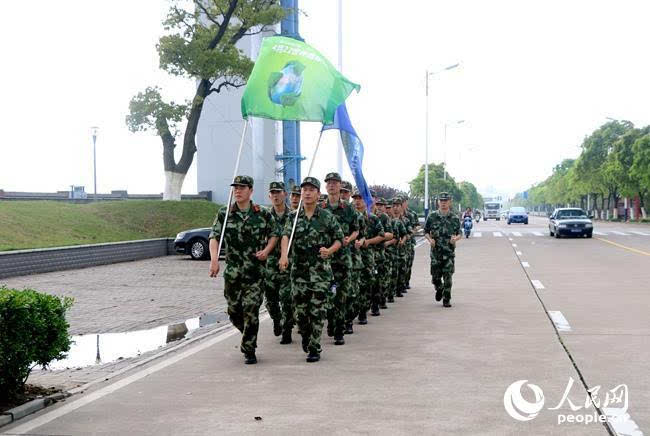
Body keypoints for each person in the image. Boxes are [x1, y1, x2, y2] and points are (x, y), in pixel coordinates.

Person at [209, 175, 278, 364]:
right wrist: (214, 259)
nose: (237, 191)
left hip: (255, 272)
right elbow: (214, 237)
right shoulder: (225, 213)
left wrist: (266, 251)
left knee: (251, 309)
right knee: (234, 311)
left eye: (242, 187)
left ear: (251, 191)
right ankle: (248, 334)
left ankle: (249, 348)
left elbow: (274, 235)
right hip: (233, 273)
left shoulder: (262, 214)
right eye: (235, 188)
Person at [279, 177, 343, 362]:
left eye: (311, 190)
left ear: (318, 194)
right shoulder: (293, 216)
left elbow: (339, 239)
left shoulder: (326, 217)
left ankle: (315, 347)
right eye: (304, 190)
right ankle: (307, 337)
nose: (306, 193)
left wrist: (329, 250)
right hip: (298, 273)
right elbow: (285, 236)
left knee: (317, 311)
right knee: (301, 314)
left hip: (320, 273)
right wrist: (284, 256)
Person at [321, 172, 359, 344]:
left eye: (335, 183)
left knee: (341, 296)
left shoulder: (348, 208)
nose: (332, 185)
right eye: (329, 183)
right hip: (325, 260)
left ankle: (339, 331)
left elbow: (356, 230)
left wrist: (349, 239)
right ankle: (331, 321)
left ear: (339, 185)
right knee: (327, 296)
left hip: (343, 259)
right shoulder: (320, 208)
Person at [265, 181, 294, 344]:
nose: (275, 195)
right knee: (270, 299)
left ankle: (287, 330)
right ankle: (277, 319)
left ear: (285, 194)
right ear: (269, 196)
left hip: (288, 263)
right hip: (270, 264)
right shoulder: (265, 216)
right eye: (273, 193)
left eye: (278, 192)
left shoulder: (293, 217)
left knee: (287, 298)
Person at [423, 192, 462, 308]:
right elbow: (425, 232)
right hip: (436, 253)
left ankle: (446, 299)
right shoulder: (432, 216)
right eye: (441, 201)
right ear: (438, 202)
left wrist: (456, 238)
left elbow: (460, 233)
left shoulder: (454, 218)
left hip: (449, 253)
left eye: (446, 201)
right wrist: (430, 240)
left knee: (448, 276)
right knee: (435, 278)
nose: (443, 203)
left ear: (449, 202)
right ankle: (439, 289)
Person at [352, 190, 385, 323]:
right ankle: (349, 317)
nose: (357, 201)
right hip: (351, 258)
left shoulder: (373, 218)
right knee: (352, 287)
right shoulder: (349, 217)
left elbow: (382, 235)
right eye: (355, 198)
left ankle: (362, 312)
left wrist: (368, 242)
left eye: (360, 198)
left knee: (366, 286)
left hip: (367, 257)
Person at [372, 196, 394, 310]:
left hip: (379, 253)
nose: (379, 207)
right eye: (378, 204)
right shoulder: (360, 215)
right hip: (363, 254)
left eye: (381, 205)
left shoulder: (383, 217)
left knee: (379, 280)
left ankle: (377, 303)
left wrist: (378, 238)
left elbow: (391, 234)